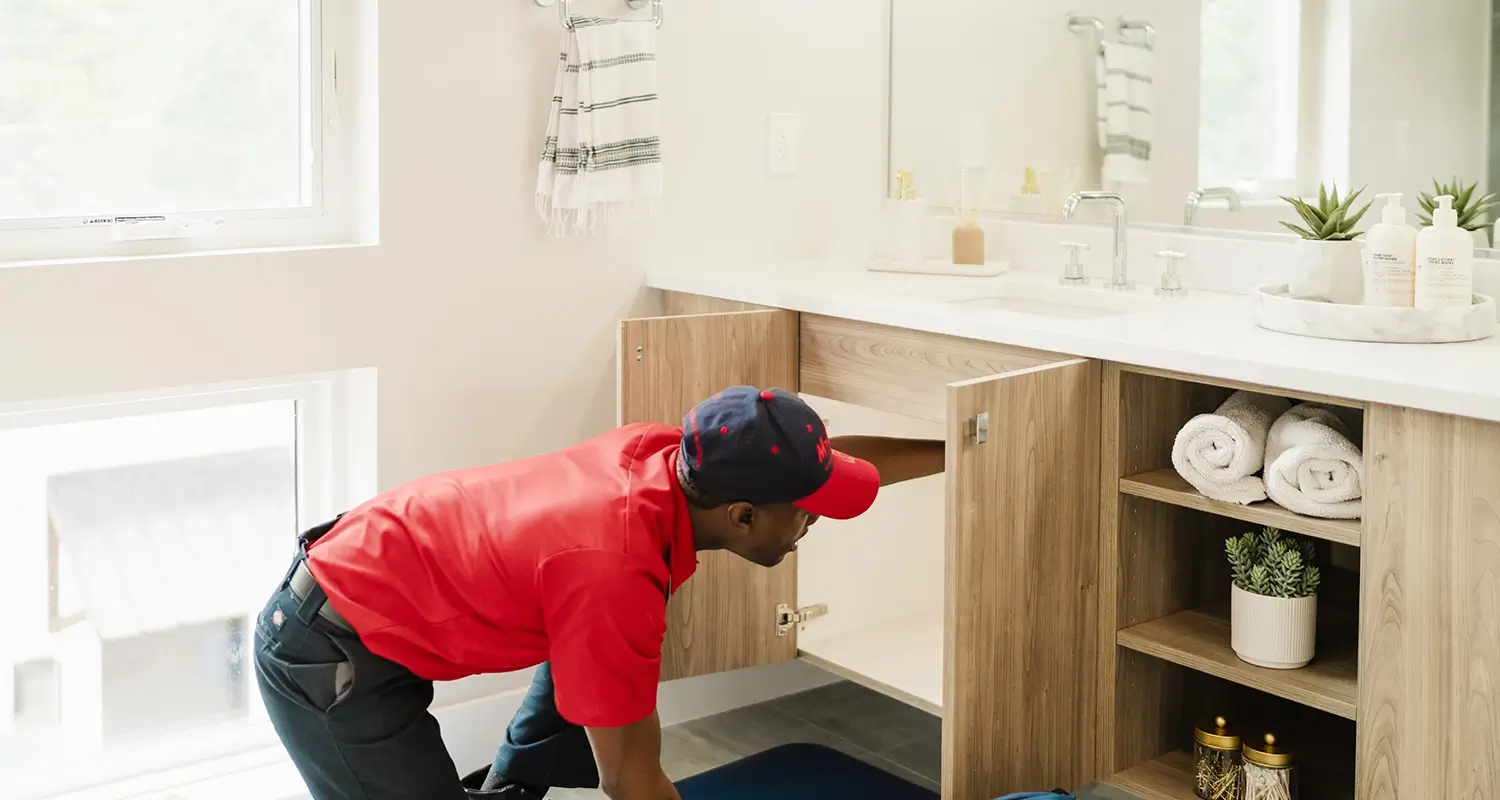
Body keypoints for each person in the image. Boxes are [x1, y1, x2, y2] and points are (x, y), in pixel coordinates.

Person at [253, 385, 945, 799]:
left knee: (602, 659)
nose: (814, 521)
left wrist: (965, 451)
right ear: (742, 517)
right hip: (327, 653)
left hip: (368, 591)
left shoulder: (667, 455)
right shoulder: (616, 571)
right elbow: (631, 780)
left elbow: (831, 464)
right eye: (807, 512)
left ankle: (511, 787)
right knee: (612, 658)